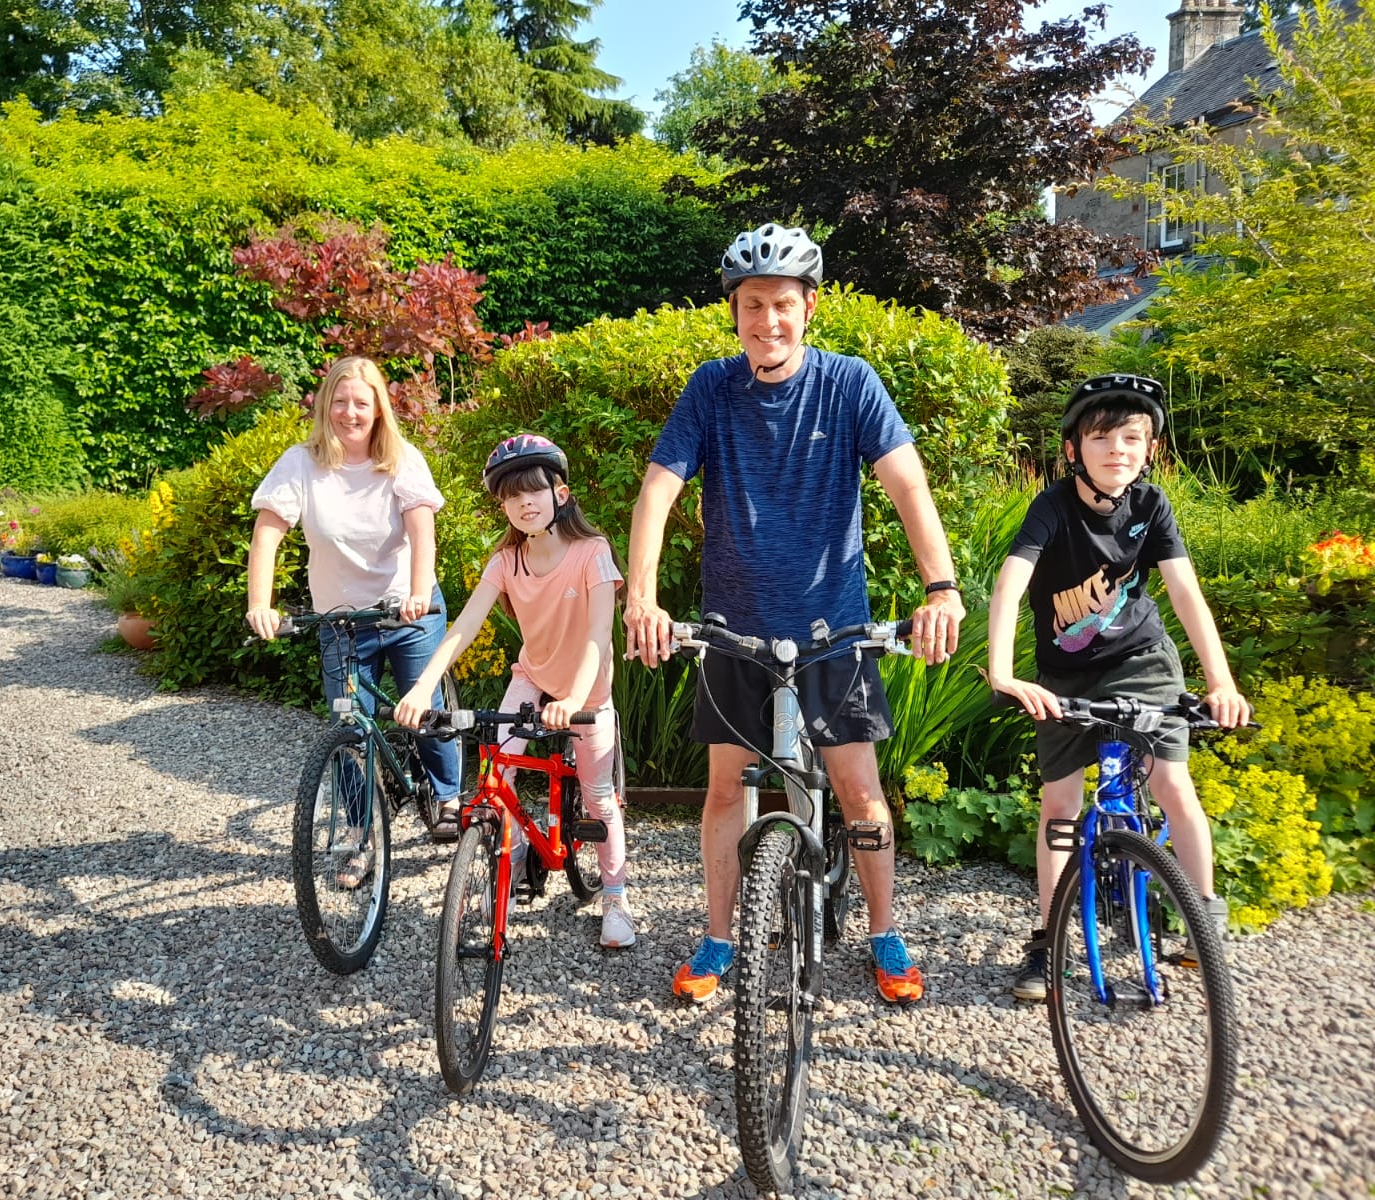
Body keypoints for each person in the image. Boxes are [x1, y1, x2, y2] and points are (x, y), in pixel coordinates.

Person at [624, 223, 965, 1005]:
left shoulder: (849, 384)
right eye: (751, 305)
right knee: (722, 794)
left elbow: (908, 487)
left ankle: (885, 932)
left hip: (829, 629)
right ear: (735, 311)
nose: (766, 320)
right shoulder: (711, 388)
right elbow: (657, 491)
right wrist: (641, 596)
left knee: (859, 792)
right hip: (735, 629)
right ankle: (718, 936)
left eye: (781, 303)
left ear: (809, 307)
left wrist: (940, 586)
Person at [986, 373, 1251, 1001]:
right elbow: (1012, 580)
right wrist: (1002, 671)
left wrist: (1222, 681)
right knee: (1061, 805)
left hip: (1142, 660)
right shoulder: (1051, 507)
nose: (1118, 450)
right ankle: (1050, 941)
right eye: (1101, 437)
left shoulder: (1152, 506)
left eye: (1133, 438)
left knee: (1170, 780)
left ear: (1150, 447)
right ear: (1074, 447)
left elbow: (1184, 592)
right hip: (1064, 675)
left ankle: (1202, 916)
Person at [395, 434, 635, 949]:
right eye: (511, 495)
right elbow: (462, 628)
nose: (524, 502)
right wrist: (424, 685)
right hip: (532, 677)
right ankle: (518, 844)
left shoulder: (592, 554)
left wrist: (573, 699)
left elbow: (598, 635)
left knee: (597, 798)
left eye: (534, 490)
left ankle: (615, 897)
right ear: (502, 505)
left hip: (587, 689)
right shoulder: (505, 562)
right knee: (495, 776)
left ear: (561, 494)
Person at [245, 355, 464, 870]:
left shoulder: (402, 460)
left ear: (378, 409)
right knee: (349, 726)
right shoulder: (302, 463)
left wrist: (415, 594)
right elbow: (267, 535)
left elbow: (421, 532)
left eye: (361, 403)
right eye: (339, 401)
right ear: (325, 406)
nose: (349, 412)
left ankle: (449, 796)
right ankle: (360, 830)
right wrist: (260, 603)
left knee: (423, 708)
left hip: (408, 612)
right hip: (343, 620)